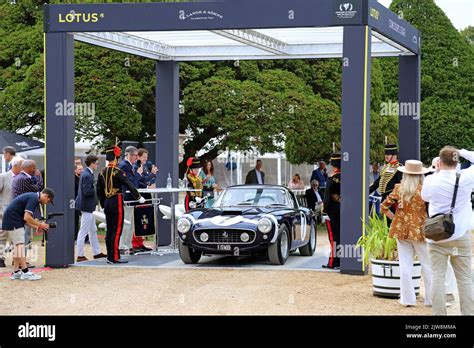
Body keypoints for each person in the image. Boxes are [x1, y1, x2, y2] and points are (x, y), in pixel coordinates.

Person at [421, 146, 474, 315]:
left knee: (437, 277)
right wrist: (463, 151)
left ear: (440, 162)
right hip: (459, 235)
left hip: (436, 236)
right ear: (456, 161)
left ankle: (440, 316)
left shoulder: (430, 180)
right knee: (464, 279)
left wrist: (436, 172)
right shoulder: (466, 178)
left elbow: (425, 197)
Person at [381, 160, 432, 307]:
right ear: (420, 175)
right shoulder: (424, 190)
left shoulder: (399, 188)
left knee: (405, 266)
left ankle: (407, 300)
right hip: (420, 230)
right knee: (427, 265)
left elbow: (384, 206)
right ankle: (430, 300)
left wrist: (395, 216)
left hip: (401, 229)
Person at [96, 145, 143, 264]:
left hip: (106, 202)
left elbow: (99, 191)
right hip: (116, 201)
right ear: (116, 158)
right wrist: (138, 196)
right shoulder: (118, 172)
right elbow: (129, 184)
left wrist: (103, 203)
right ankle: (114, 257)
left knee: (109, 230)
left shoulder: (102, 172)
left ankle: (109, 255)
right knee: (117, 230)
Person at [3, 188, 54, 280]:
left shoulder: (32, 197)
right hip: (14, 220)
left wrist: (37, 227)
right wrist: (40, 224)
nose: (47, 203)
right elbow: (27, 217)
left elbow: (25, 219)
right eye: (48, 201)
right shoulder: (34, 198)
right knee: (20, 245)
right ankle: (25, 272)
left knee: (17, 246)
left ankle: (16, 272)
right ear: (45, 196)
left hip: (12, 220)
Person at [75, 155, 106, 262]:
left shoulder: (87, 174)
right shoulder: (87, 175)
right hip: (87, 206)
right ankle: (80, 255)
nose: (97, 165)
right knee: (83, 231)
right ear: (92, 163)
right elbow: (87, 191)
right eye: (96, 163)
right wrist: (97, 187)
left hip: (88, 206)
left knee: (93, 230)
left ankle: (97, 252)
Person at [118, 146, 148, 255]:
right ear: (128, 155)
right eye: (135, 155)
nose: (136, 158)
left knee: (130, 224)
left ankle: (128, 245)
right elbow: (130, 182)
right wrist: (139, 174)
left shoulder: (129, 165)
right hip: (126, 197)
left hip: (131, 197)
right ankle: (122, 245)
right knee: (126, 223)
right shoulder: (124, 166)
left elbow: (134, 182)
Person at [131, 148, 157, 252]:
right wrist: (152, 175)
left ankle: (140, 242)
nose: (146, 159)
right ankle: (135, 243)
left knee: (143, 219)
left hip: (146, 195)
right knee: (138, 218)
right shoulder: (136, 166)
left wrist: (150, 182)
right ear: (138, 156)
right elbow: (140, 181)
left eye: (147, 157)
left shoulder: (145, 166)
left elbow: (146, 179)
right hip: (139, 196)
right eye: (144, 157)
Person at [369, 144, 402, 225]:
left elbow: (401, 185)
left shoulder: (399, 168)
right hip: (384, 198)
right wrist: (365, 191)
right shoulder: (385, 168)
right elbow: (377, 183)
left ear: (394, 155)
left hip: (394, 200)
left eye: (388, 154)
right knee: (387, 224)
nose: (386, 156)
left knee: (393, 223)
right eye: (385, 154)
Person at [0, 157, 24, 267]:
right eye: (22, 166)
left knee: (18, 237)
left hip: (18, 212)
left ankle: (18, 259)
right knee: (2, 235)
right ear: (15, 166)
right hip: (3, 211)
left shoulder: (22, 178)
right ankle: (0, 257)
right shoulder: (3, 177)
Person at [322, 154, 341, 269]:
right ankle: (340, 260)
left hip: (332, 210)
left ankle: (333, 261)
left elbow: (327, 196)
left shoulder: (332, 178)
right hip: (343, 209)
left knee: (333, 237)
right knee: (340, 236)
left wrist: (324, 211)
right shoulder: (347, 177)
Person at [74, 163, 84, 241]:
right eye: (79, 169)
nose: (81, 170)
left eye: (82, 169)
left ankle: (85, 237)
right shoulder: (73, 179)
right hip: (76, 202)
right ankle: (75, 237)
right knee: (76, 220)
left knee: (84, 220)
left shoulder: (83, 178)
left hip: (83, 202)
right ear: (75, 170)